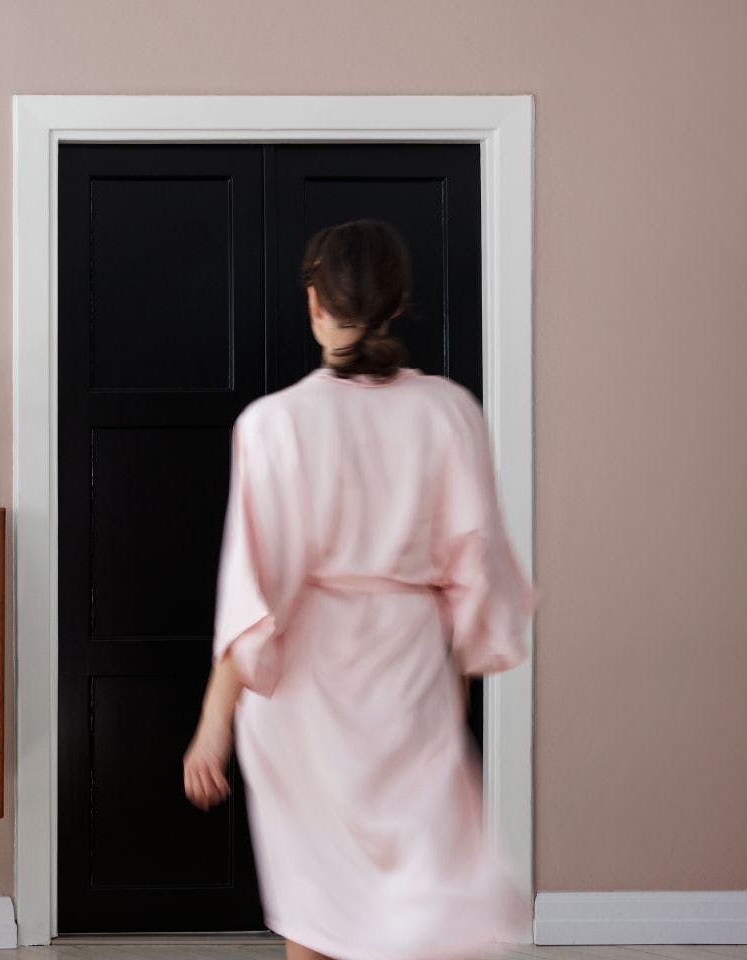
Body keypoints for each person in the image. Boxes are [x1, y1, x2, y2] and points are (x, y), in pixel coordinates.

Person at [182, 219, 536, 960]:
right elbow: (477, 569)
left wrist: (215, 721)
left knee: (316, 900)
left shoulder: (273, 423)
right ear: (398, 302)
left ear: (314, 303)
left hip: (306, 686)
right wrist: (453, 689)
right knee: (426, 892)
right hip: (408, 669)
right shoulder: (450, 410)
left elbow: (255, 592)